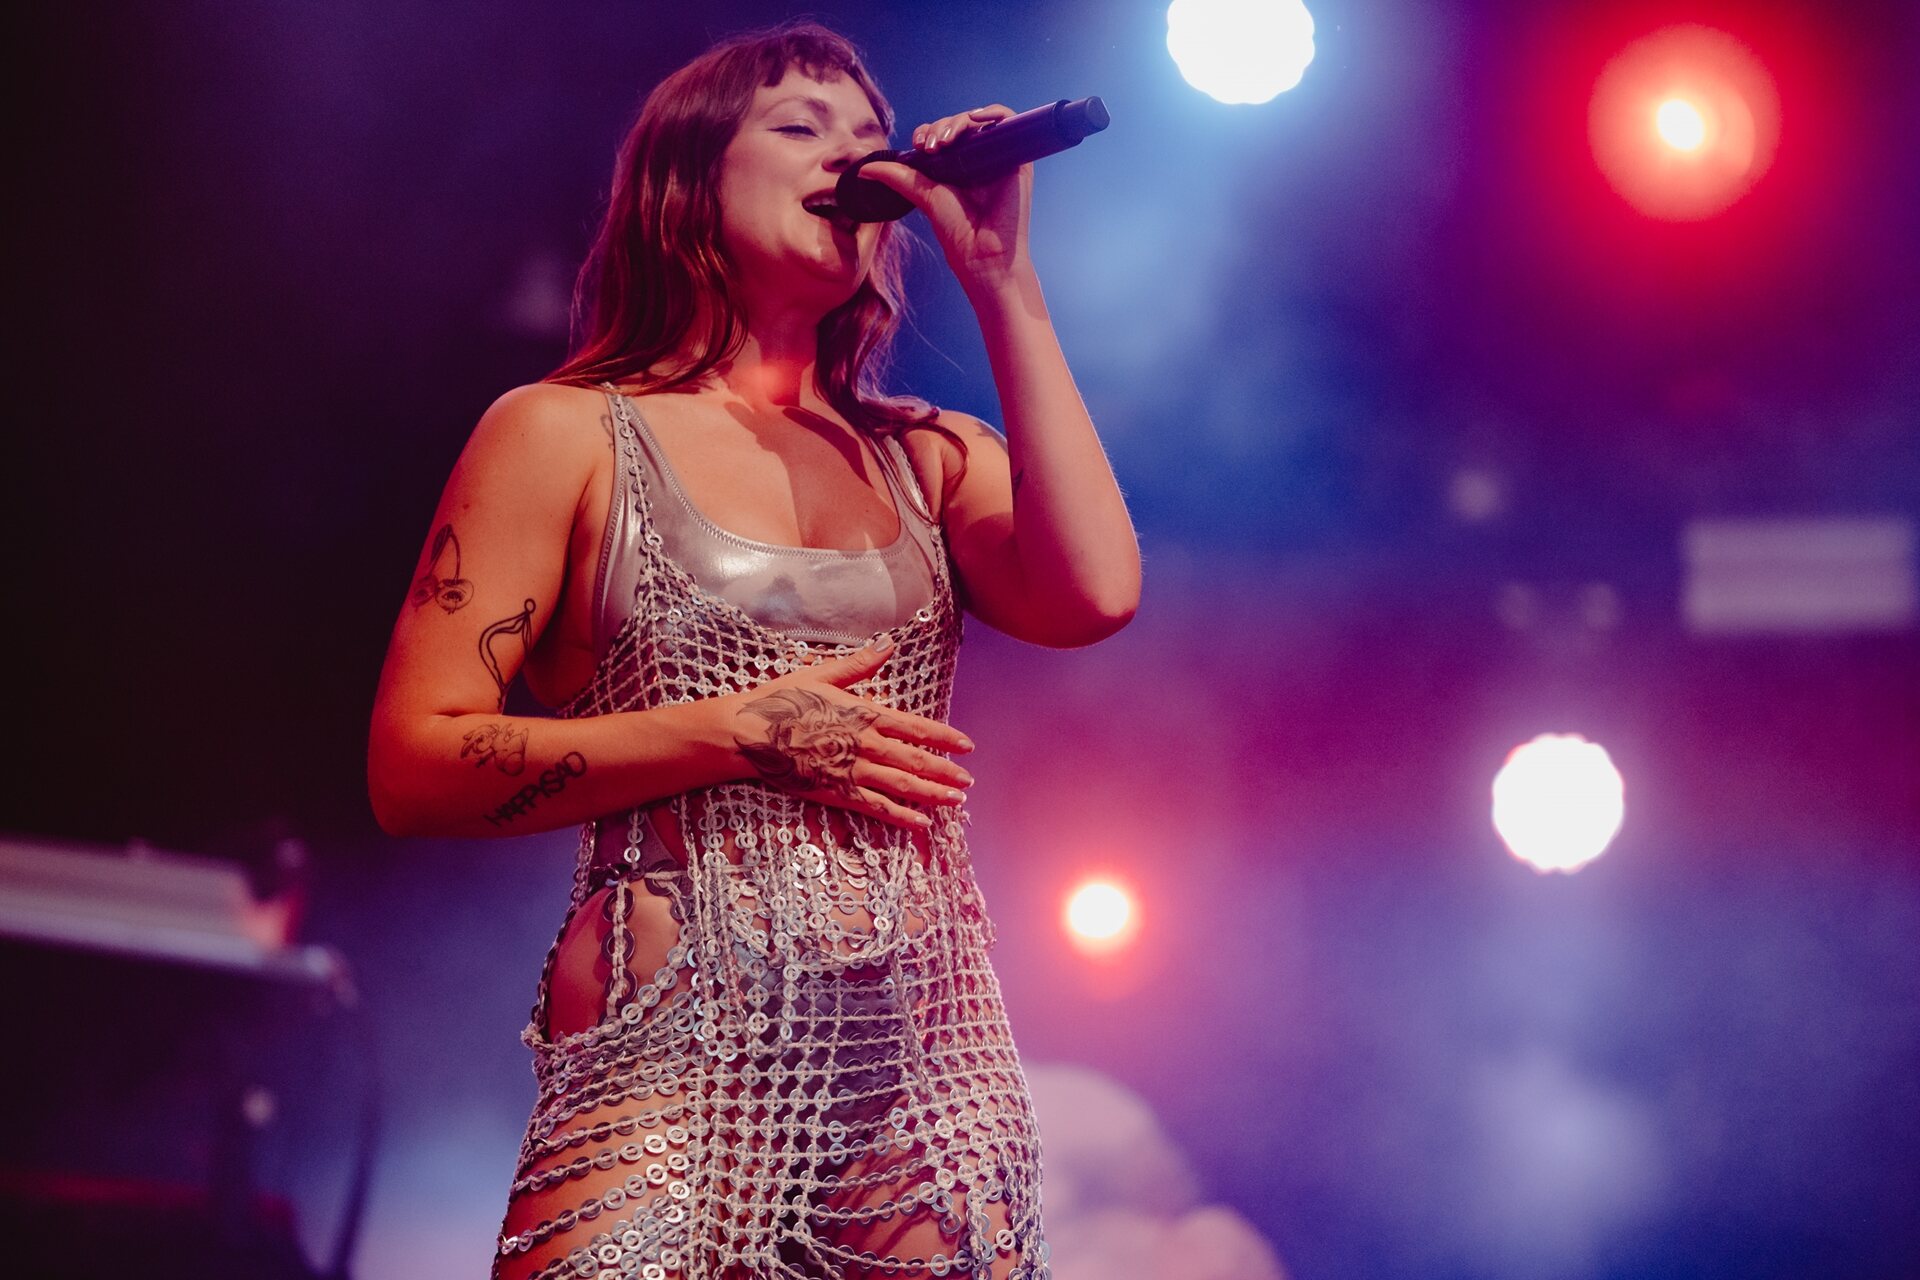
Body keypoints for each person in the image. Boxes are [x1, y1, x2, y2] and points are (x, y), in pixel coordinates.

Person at [368, 20, 1139, 1280]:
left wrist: (1005, 284)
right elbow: (413, 762)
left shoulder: (928, 456)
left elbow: (1097, 592)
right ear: (689, 183)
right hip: (665, 1041)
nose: (853, 154)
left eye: (867, 133)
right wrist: (736, 730)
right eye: (800, 125)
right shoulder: (566, 433)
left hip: (919, 1062)